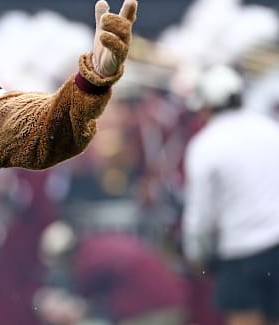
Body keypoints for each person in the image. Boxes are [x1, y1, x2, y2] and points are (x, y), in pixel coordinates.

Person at [182, 64, 279, 325]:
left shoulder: (205, 145)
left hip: (239, 253)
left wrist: (196, 256)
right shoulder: (269, 128)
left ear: (205, 106)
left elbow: (199, 215)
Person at [38, 221, 187, 325]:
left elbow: (80, 306)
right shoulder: (95, 247)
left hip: (154, 312)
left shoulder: (88, 263)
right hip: (170, 303)